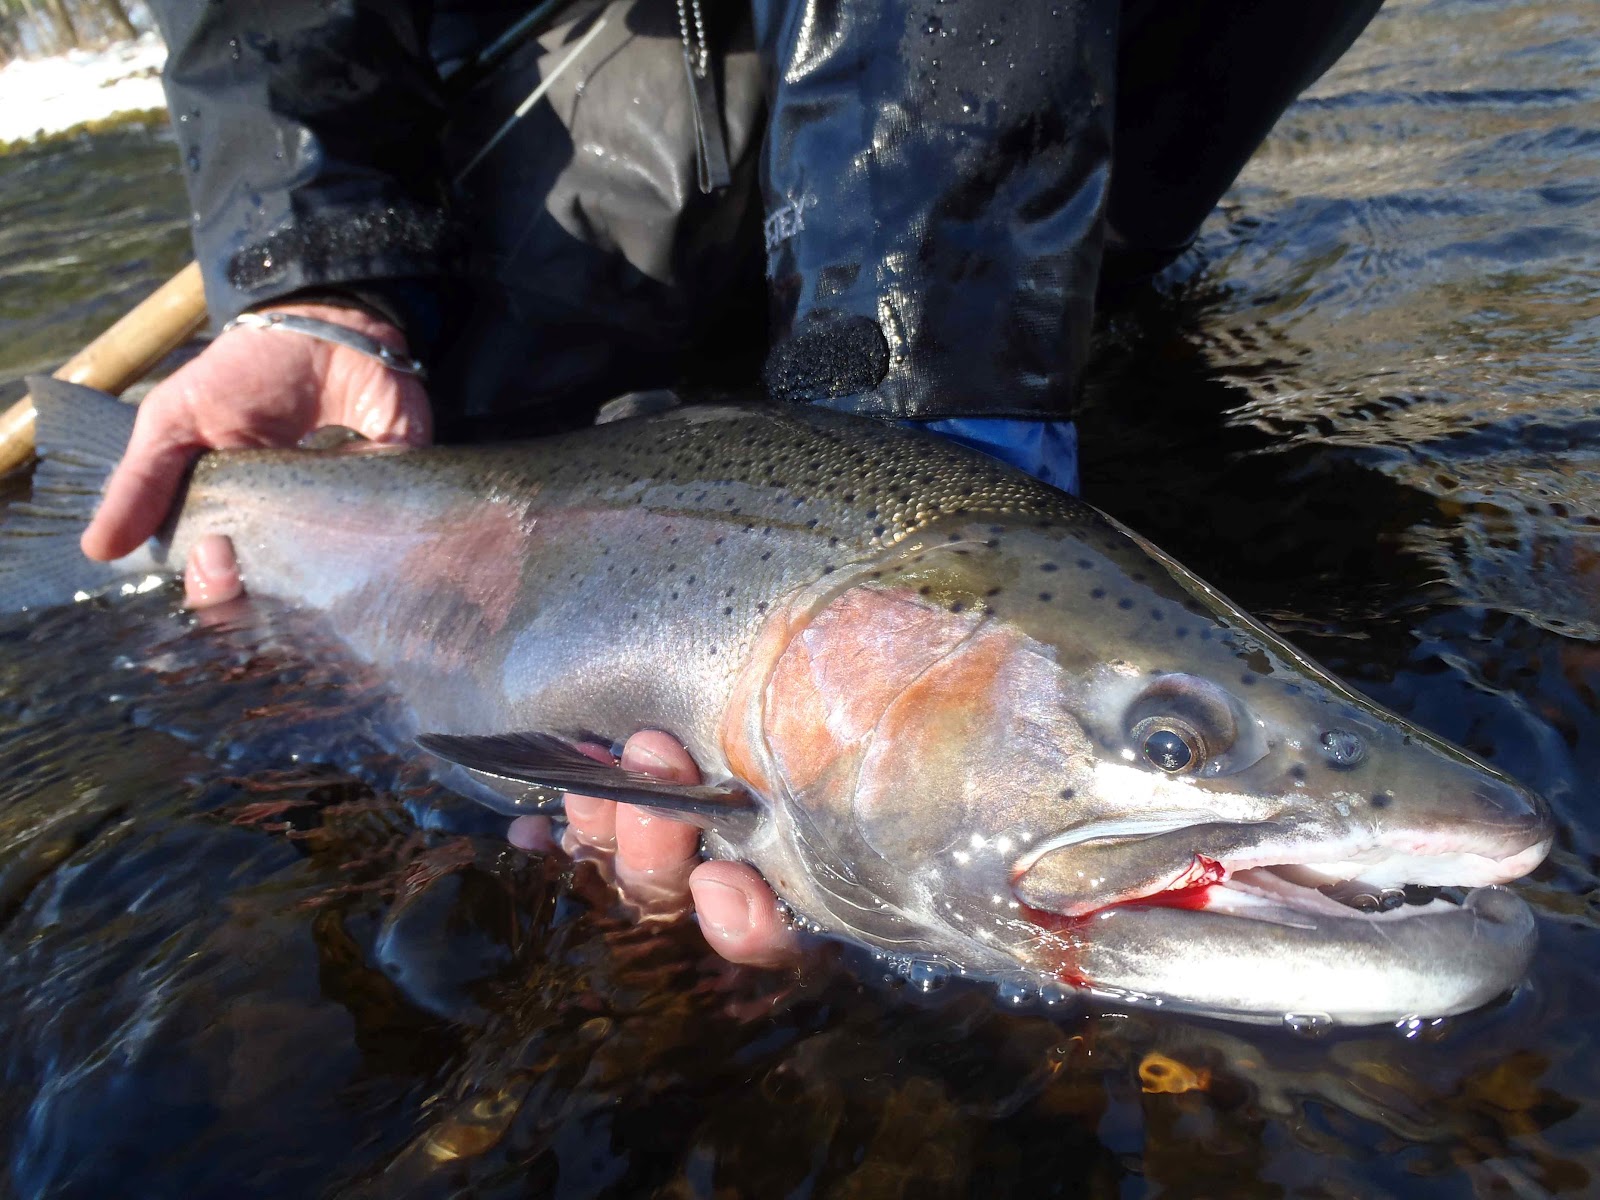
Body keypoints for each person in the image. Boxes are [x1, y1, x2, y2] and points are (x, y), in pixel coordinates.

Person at [82, 0, 1384, 968]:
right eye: (1170, 737)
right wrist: (318, 281)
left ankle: (1010, 332)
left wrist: (932, 426)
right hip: (602, 76)